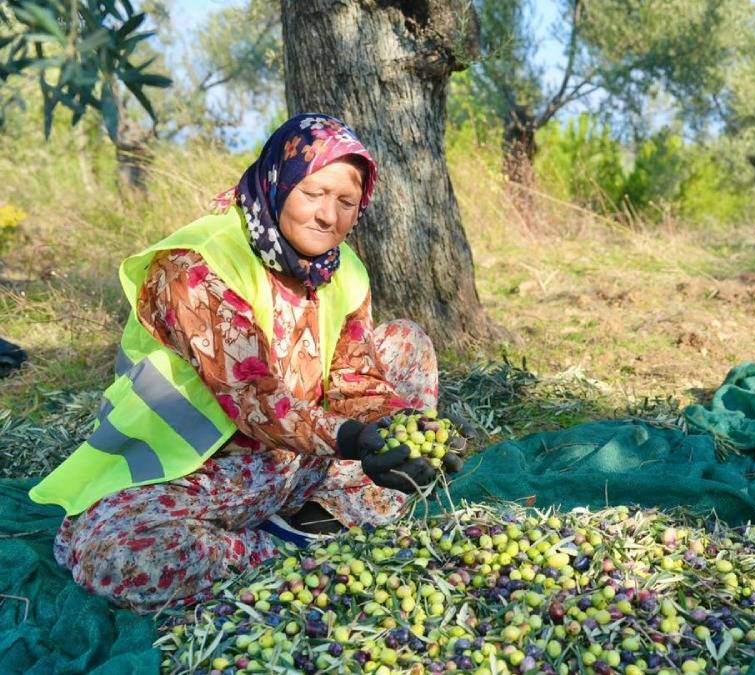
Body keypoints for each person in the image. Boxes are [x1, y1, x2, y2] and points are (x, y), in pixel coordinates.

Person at [28, 113, 465, 613]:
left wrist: (399, 428)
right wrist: (354, 440)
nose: (328, 216)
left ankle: (323, 519)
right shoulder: (199, 266)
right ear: (279, 180)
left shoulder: (341, 271)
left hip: (296, 459)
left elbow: (355, 379)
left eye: (346, 202)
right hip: (200, 469)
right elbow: (253, 399)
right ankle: (285, 551)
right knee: (117, 555)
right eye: (313, 193)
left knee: (406, 341)